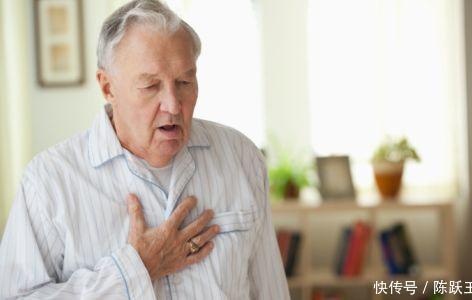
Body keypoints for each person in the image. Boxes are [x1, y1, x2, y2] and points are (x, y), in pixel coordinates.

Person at [0, 0, 289, 299]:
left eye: (184, 81)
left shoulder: (241, 157)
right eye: (151, 86)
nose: (173, 105)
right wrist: (137, 269)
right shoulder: (47, 181)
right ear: (108, 87)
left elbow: (270, 291)